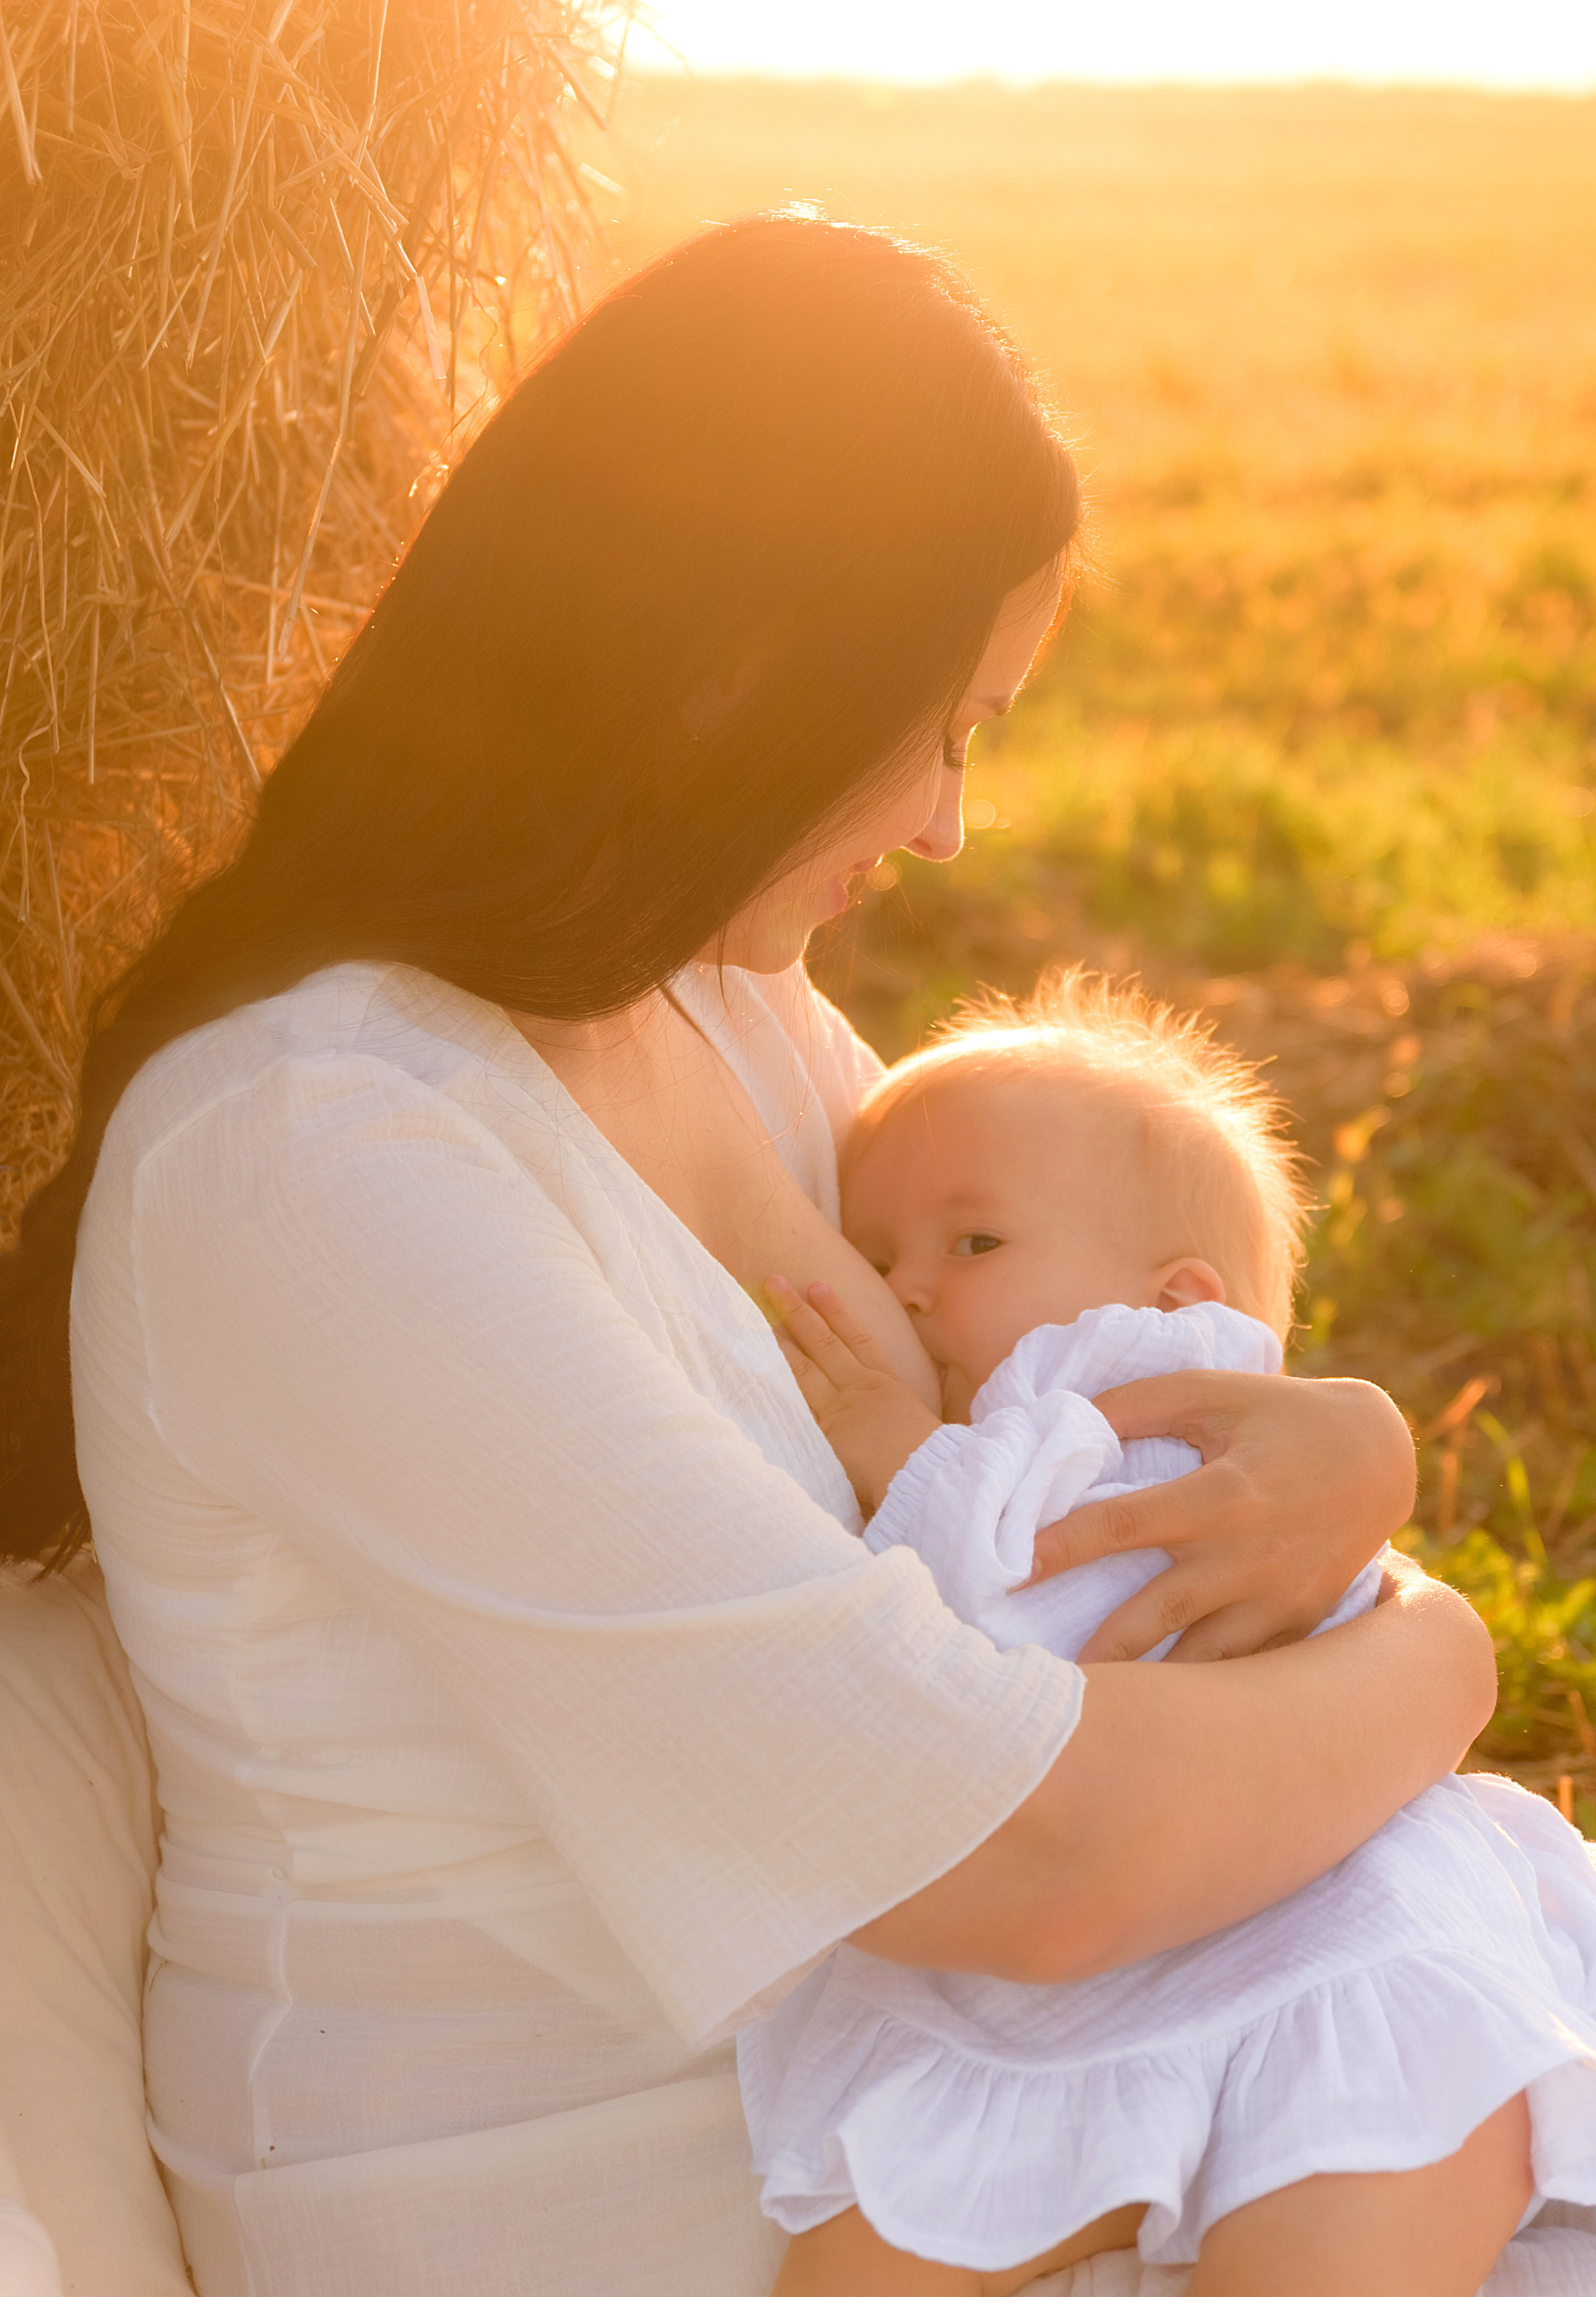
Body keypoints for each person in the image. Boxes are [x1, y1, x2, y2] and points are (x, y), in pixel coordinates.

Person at [0, 214, 1492, 2297]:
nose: (957, 825)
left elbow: (1074, 1476)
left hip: (954, 2131)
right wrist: (1442, 1655)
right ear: (741, 667)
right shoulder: (315, 1154)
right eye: (948, 724)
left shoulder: (727, 1017)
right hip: (631, 2215)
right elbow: (1020, 1858)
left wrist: (1348, 1469)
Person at [747, 974, 1596, 2296]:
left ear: (1175, 1299)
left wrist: (910, 1465)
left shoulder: (1134, 1408)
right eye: (879, 1255)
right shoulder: (1056, 1424)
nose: (909, 1293)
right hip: (1087, 1962)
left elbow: (1033, 1613)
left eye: (972, 1245)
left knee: (1358, 2181)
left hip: (1334, 1918)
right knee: (881, 2236)